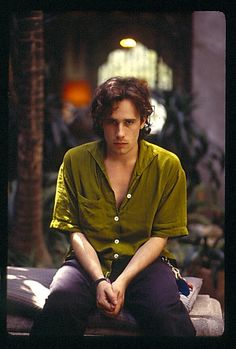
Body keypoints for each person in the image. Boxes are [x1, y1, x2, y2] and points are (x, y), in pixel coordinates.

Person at [30, 77, 196, 339]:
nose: (120, 133)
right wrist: (99, 280)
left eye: (129, 122)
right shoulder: (76, 161)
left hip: (144, 264)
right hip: (87, 264)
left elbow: (160, 235)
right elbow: (75, 231)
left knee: (166, 317)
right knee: (60, 305)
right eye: (112, 122)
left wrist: (121, 282)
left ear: (142, 121)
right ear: (101, 122)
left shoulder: (167, 166)